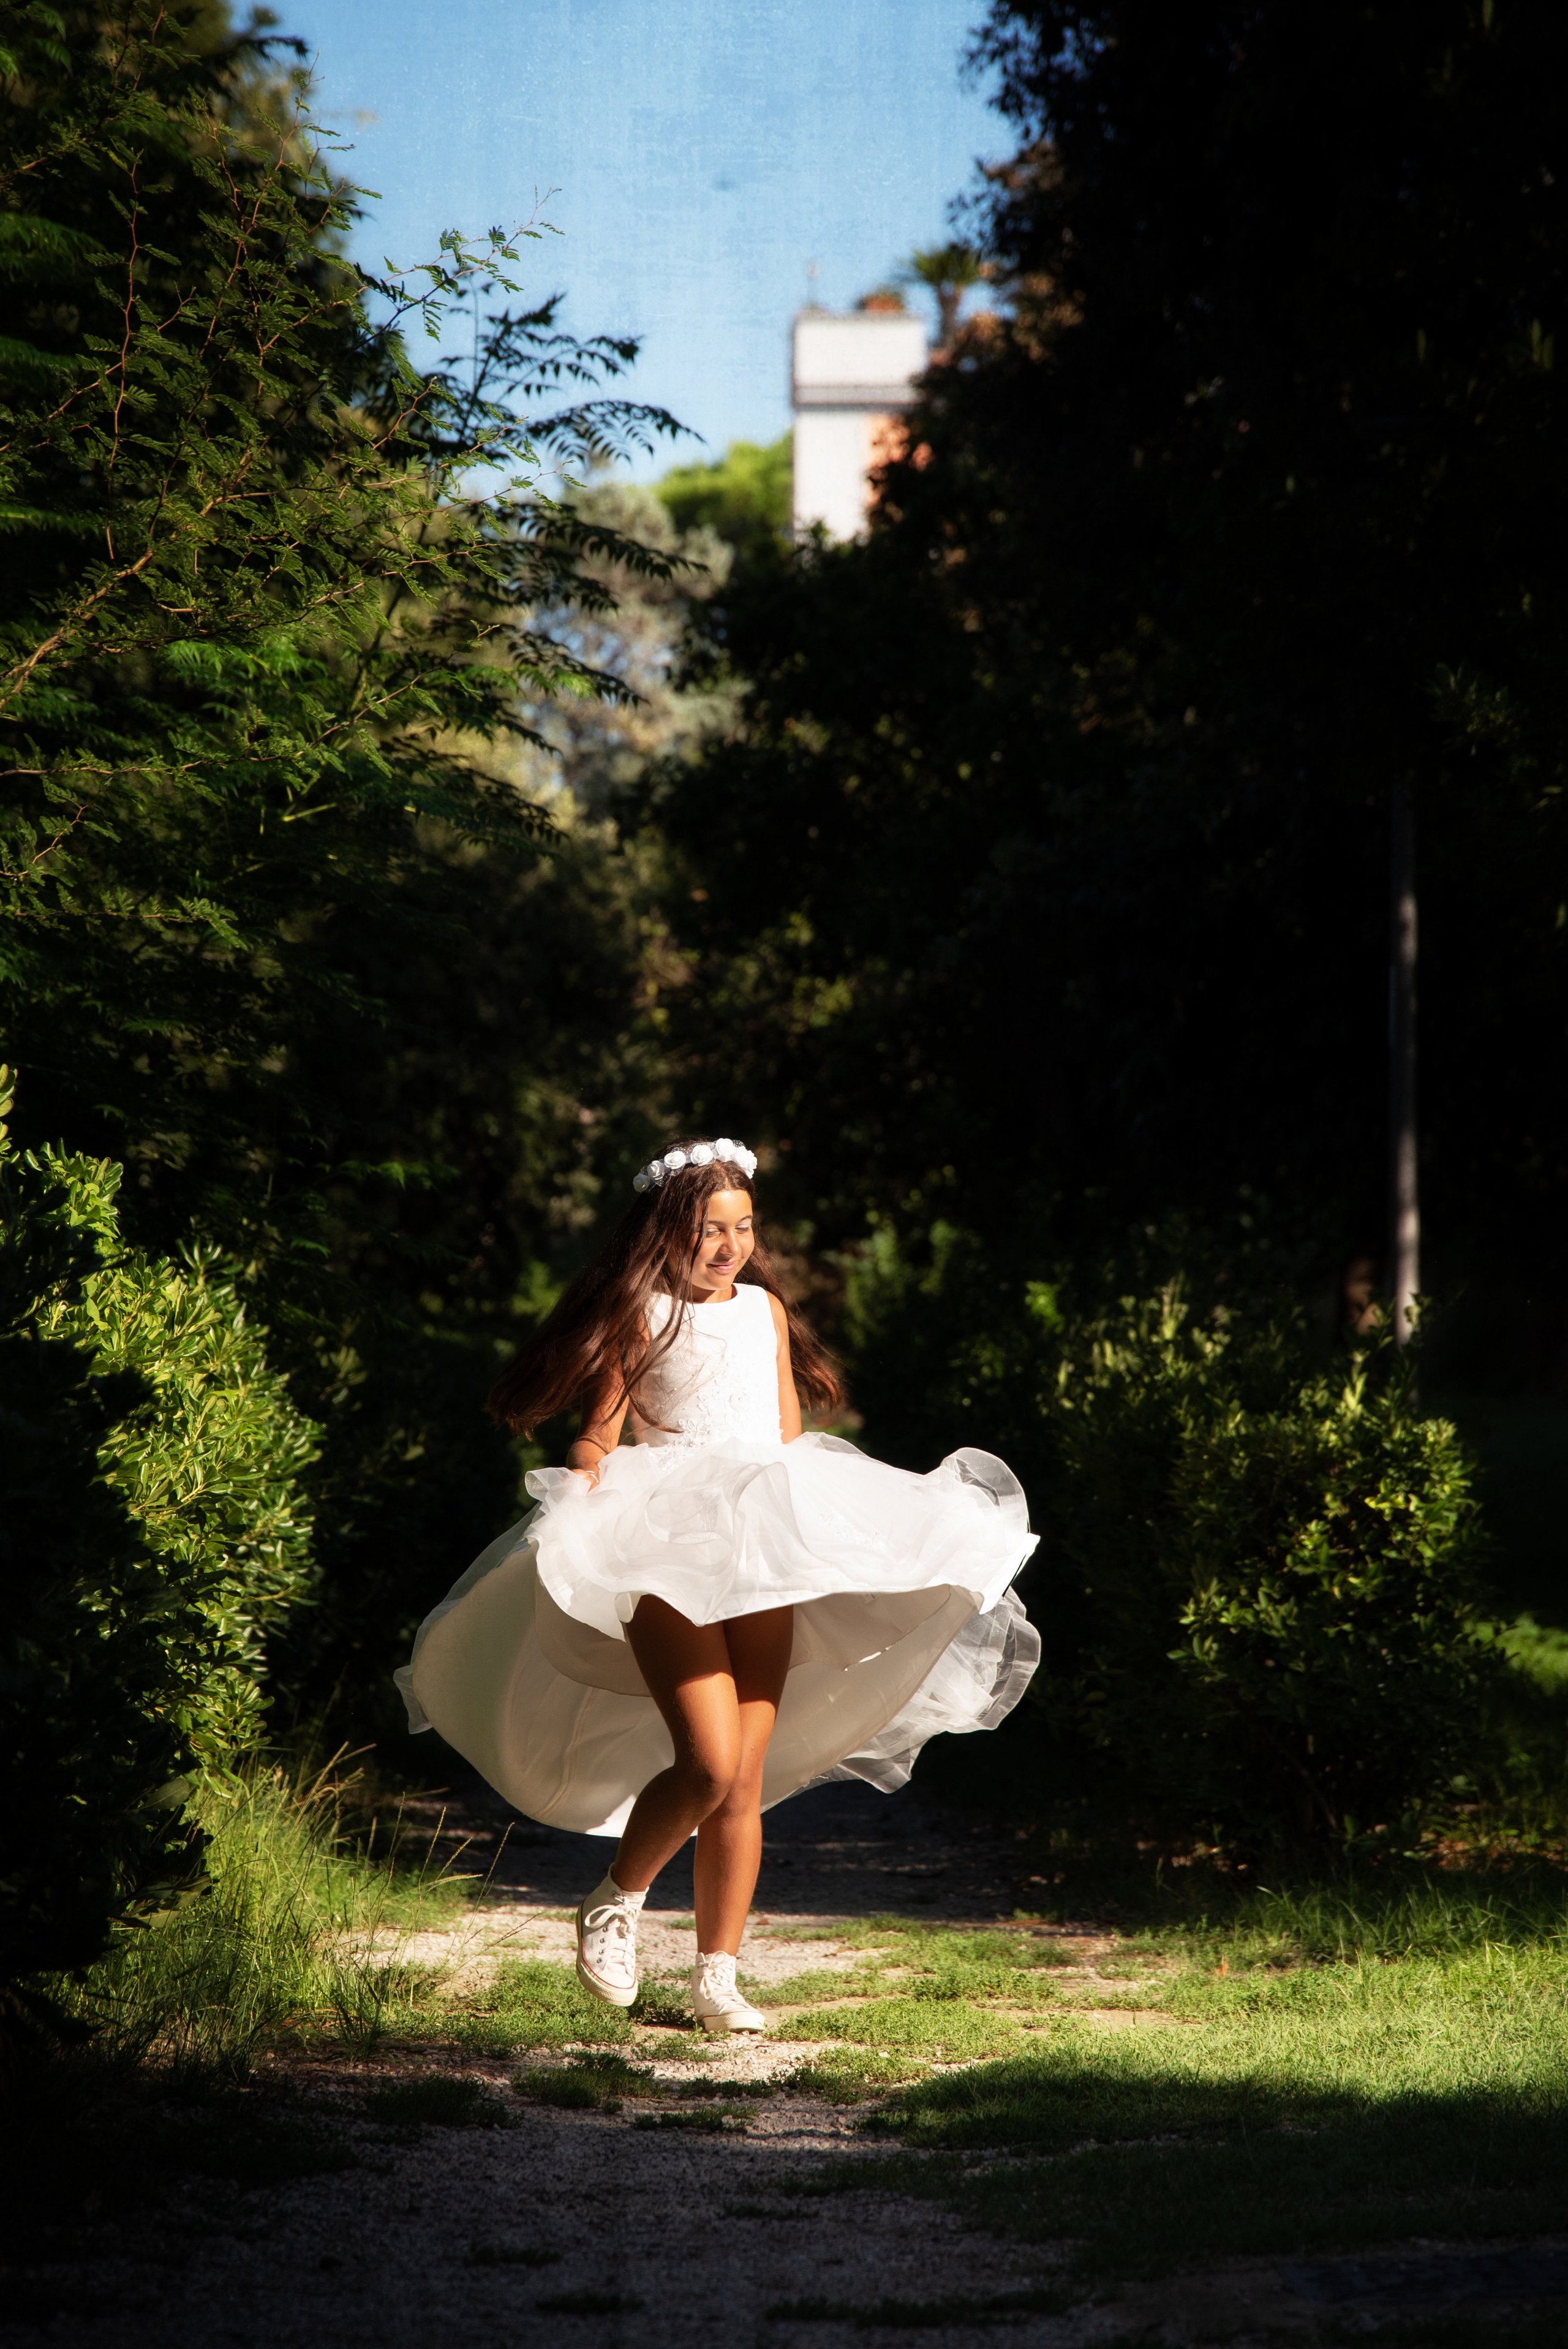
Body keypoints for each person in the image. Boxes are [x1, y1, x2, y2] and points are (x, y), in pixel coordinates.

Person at [395, 1138, 1039, 2034]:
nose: (728, 1245)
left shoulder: (764, 1312)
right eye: (709, 1229)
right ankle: (615, 1900)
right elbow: (601, 1432)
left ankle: (718, 1974)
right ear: (669, 1230)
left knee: (741, 1777)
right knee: (705, 1755)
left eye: (742, 1227)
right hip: (663, 1537)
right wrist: (575, 1495)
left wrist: (821, 1524)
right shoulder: (641, 1310)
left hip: (763, 1539)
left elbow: (784, 1434)